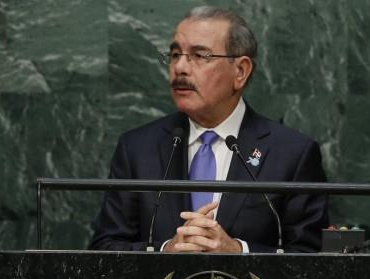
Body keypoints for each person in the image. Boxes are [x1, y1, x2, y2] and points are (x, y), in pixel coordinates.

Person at [89, 6, 327, 253]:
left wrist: (239, 251)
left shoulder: (292, 154)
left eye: (200, 55)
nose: (180, 67)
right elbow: (104, 249)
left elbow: (311, 257)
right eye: (174, 55)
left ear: (240, 71)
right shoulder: (137, 149)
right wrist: (164, 251)